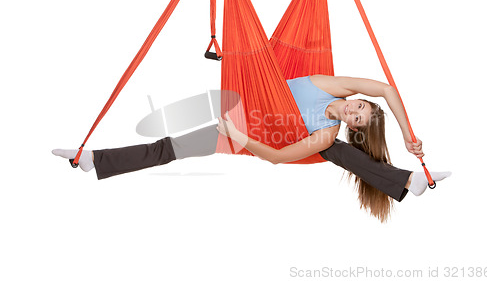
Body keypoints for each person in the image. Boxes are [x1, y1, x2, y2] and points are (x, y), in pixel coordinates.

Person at [53, 75, 451, 222]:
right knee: (167, 147)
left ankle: (407, 181)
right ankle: (93, 160)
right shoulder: (335, 85)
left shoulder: (328, 137)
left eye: (359, 118)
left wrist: (240, 139)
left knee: (171, 147)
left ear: (353, 126)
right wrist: (405, 133)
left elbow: (277, 157)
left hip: (251, 134)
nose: (356, 109)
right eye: (360, 105)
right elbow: (384, 88)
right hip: (253, 102)